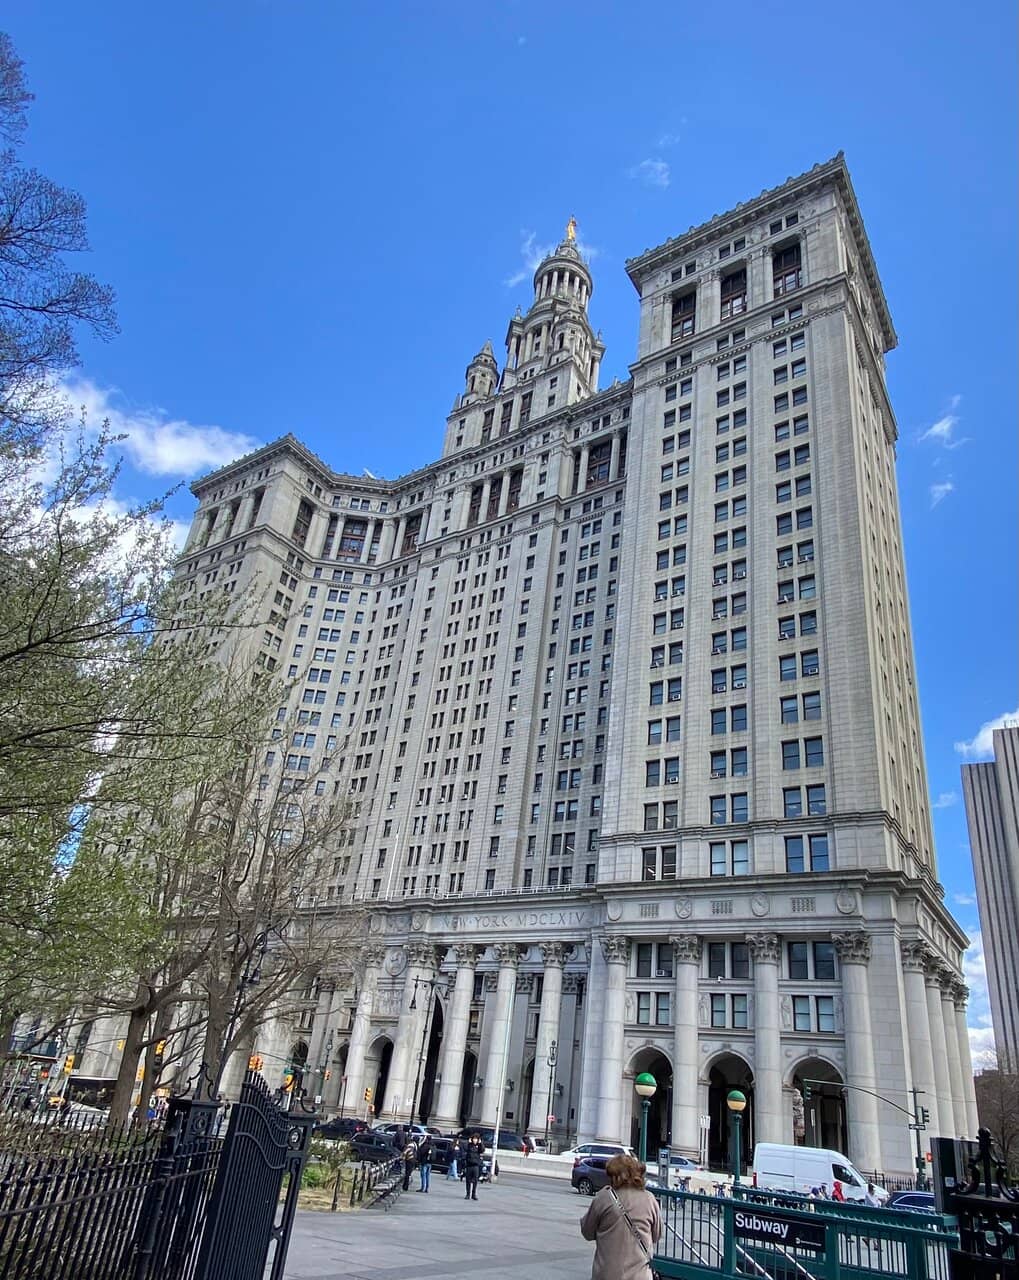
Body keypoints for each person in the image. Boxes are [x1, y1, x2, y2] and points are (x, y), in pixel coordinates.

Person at [581, 1154, 662, 1280]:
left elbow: (587, 1232)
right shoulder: (649, 1199)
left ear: (614, 1176)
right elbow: (656, 1235)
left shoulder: (603, 1197)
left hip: (607, 1275)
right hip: (639, 1275)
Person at [463, 1134, 484, 1201]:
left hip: (475, 1166)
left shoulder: (479, 1146)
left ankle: (473, 1194)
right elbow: (465, 1148)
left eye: (476, 1139)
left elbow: (482, 1150)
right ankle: (468, 1194)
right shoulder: (469, 1145)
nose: (475, 1140)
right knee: (468, 1180)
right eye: (474, 1139)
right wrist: (468, 1142)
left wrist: (480, 1143)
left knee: (475, 1181)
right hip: (469, 1165)